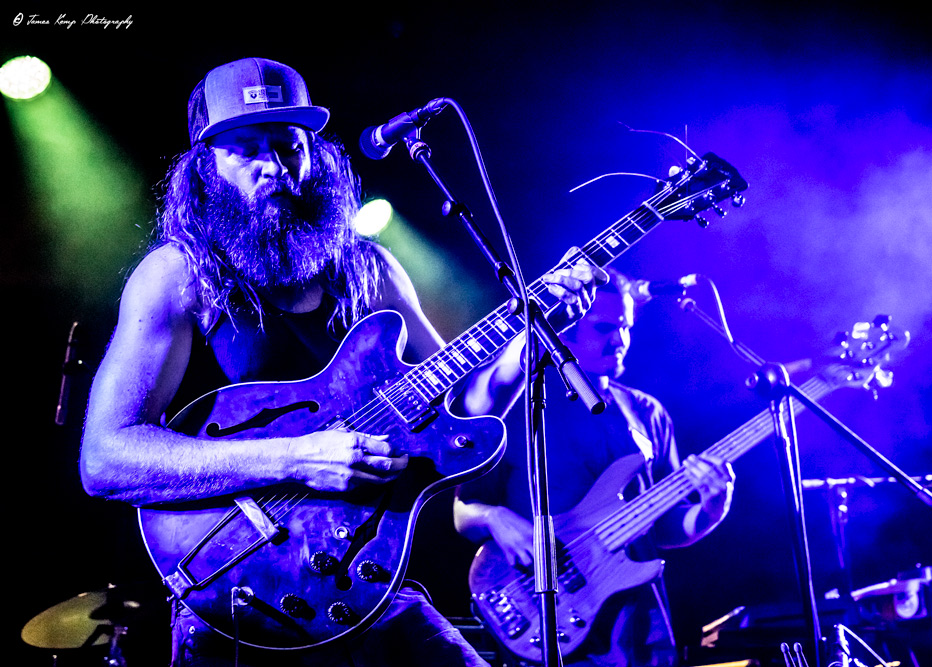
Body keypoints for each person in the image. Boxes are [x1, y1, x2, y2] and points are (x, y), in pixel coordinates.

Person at [79, 57, 602, 667]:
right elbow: (106, 457)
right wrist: (297, 456)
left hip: (368, 580)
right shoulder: (178, 276)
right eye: (246, 149)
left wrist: (525, 355)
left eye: (288, 146)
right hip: (237, 593)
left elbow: (458, 411)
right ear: (205, 169)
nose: (273, 167)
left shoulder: (368, 269)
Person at [455, 270, 735, 666]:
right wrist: (497, 517)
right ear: (564, 331)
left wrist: (710, 511)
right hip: (544, 607)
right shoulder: (521, 407)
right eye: (605, 328)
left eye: (625, 327)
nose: (619, 340)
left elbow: (663, 528)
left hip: (641, 624)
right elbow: (463, 512)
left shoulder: (647, 411)